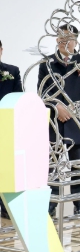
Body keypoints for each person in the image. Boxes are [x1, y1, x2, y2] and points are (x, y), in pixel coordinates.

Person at [38, 25, 80, 217]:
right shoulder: (46, 63)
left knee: (77, 166)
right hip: (54, 122)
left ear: (76, 40)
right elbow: (42, 92)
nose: (65, 41)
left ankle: (79, 204)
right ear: (56, 39)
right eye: (61, 37)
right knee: (52, 166)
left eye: (69, 37)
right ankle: (52, 204)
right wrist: (57, 107)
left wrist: (71, 108)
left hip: (76, 122)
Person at [0, 39, 24, 219]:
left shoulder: (12, 71)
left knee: (6, 167)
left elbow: (18, 98)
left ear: (1, 50)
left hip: (6, 126)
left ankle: (5, 207)